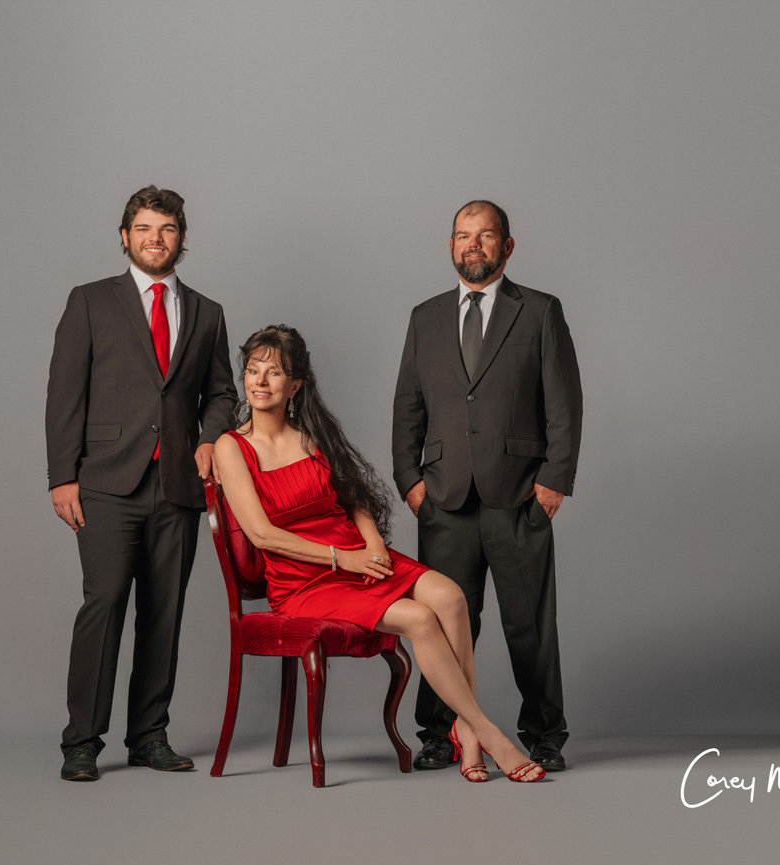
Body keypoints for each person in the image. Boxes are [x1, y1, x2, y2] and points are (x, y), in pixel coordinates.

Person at [214, 325, 544, 783]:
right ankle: (486, 733)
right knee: (420, 619)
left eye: (274, 373)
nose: (260, 382)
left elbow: (354, 501)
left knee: (450, 597)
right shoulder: (232, 447)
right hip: (304, 581)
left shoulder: (311, 437)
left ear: (296, 385)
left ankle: (465, 730)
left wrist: (370, 543)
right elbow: (262, 535)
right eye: (253, 371)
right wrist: (340, 559)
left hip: (357, 555)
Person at [46, 186, 237, 781]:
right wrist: (63, 476)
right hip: (105, 481)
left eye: (168, 228)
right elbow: (64, 394)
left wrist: (209, 439)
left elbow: (222, 392)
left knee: (165, 611)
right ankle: (82, 742)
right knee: (103, 606)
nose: (156, 238)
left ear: (182, 237)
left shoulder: (208, 312)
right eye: (144, 228)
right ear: (125, 236)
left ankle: (149, 735)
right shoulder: (89, 301)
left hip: (178, 485)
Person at [392, 200, 583, 773]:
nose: (472, 245)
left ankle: (545, 734)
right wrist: (410, 481)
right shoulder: (425, 316)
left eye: (485, 236)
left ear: (508, 246)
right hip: (443, 499)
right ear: (451, 246)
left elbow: (564, 405)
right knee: (441, 626)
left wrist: (553, 484)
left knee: (530, 624)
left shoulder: (540, 312)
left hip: (520, 497)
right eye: (462, 236)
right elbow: (408, 405)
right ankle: (437, 732)